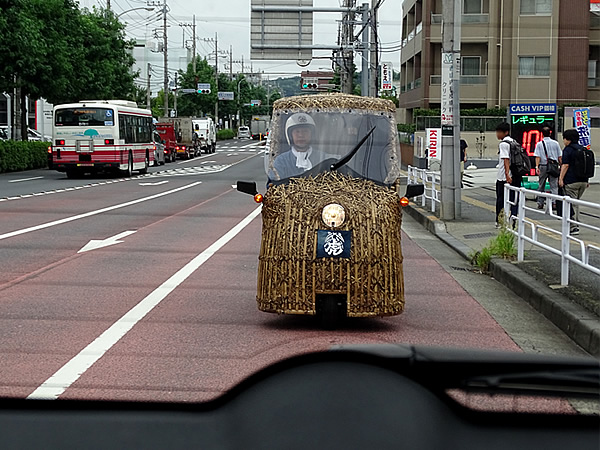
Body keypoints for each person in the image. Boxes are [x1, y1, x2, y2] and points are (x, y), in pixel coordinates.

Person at [271, 113, 331, 180]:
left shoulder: (323, 158)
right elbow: (273, 184)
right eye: (297, 131)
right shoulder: (281, 161)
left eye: (305, 131)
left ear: (312, 135)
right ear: (290, 136)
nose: (301, 135)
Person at [559, 128, 590, 235]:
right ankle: (574, 223)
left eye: (564, 138)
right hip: (583, 181)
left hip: (571, 181)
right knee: (576, 202)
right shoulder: (583, 149)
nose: (563, 141)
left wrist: (561, 178)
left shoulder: (568, 150)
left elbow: (565, 165)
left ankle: (574, 226)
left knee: (572, 204)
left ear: (568, 139)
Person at [495, 122, 521, 228]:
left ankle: (500, 221)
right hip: (516, 175)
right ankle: (514, 218)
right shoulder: (514, 142)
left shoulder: (503, 144)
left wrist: (507, 175)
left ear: (505, 132)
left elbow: (506, 159)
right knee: (514, 199)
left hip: (504, 177)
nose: (497, 134)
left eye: (499, 132)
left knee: (501, 199)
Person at [533, 127, 562, 210]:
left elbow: (537, 156)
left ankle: (540, 203)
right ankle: (554, 203)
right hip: (553, 166)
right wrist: (560, 165)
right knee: (554, 185)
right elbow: (559, 156)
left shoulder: (539, 144)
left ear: (542, 134)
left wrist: (536, 166)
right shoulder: (555, 143)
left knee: (541, 185)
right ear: (550, 133)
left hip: (543, 166)